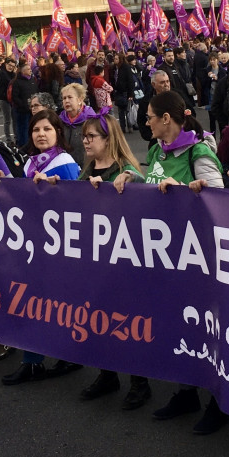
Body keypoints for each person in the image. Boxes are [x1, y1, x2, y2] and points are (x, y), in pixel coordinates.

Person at [137, 90, 228, 433]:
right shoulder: (156, 149)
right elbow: (152, 186)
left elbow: (222, 201)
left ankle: (218, 403)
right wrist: (130, 181)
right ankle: (186, 390)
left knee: (208, 326)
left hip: (199, 257)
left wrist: (186, 191)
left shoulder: (199, 152)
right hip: (167, 255)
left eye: (149, 116)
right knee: (178, 322)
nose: (146, 122)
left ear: (166, 119)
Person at [74, 112, 153, 410]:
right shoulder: (87, 170)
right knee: (97, 317)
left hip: (122, 262)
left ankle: (139, 382)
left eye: (92, 136)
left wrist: (130, 178)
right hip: (95, 260)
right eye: (84, 136)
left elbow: (144, 188)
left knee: (127, 323)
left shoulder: (124, 170)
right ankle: (107, 374)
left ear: (109, 140)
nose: (86, 141)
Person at [2, 110, 81, 386]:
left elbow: (77, 207)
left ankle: (69, 354)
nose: (41, 134)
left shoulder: (65, 163)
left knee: (57, 303)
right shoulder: (30, 165)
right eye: (36, 130)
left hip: (59, 247)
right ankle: (32, 361)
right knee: (32, 302)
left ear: (58, 132)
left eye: (47, 128)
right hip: (33, 244)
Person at [58, 82, 97, 164]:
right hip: (65, 167)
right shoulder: (59, 120)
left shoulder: (91, 120)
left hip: (86, 167)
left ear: (80, 100)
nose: (66, 101)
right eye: (64, 98)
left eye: (70, 97)